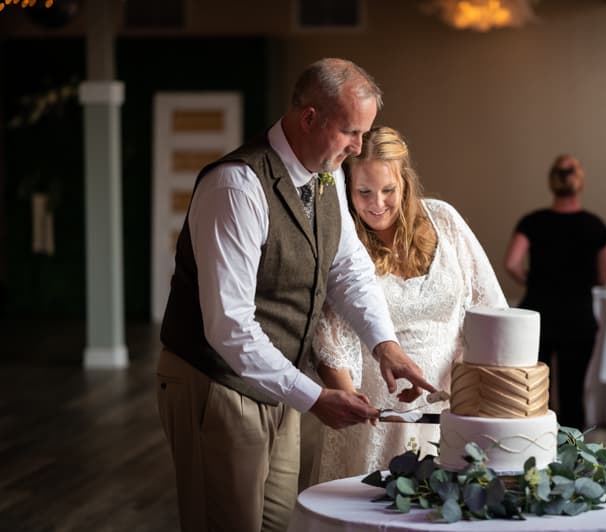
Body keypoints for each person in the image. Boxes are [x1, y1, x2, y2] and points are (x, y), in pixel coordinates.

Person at [155, 59, 436, 532]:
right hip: (215, 382)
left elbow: (349, 270)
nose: (358, 147)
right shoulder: (236, 186)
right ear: (309, 118)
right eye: (350, 131)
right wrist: (315, 397)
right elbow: (228, 327)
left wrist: (385, 344)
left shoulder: (325, 179)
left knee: (277, 525)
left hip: (277, 387)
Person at [304, 126, 507, 484]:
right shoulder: (343, 241)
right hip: (376, 418)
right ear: (347, 188)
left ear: (405, 183)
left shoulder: (444, 220)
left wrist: (465, 388)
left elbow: (489, 306)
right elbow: (328, 335)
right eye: (363, 192)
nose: (377, 204)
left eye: (388, 190)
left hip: (450, 407)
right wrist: (355, 405)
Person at [504, 154, 606, 430]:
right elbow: (604, 276)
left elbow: (511, 263)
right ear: (580, 181)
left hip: (539, 318)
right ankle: (574, 457)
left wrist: (533, 280)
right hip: (578, 319)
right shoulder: (596, 226)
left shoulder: (532, 221)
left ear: (552, 181)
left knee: (536, 394)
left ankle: (536, 450)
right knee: (573, 395)